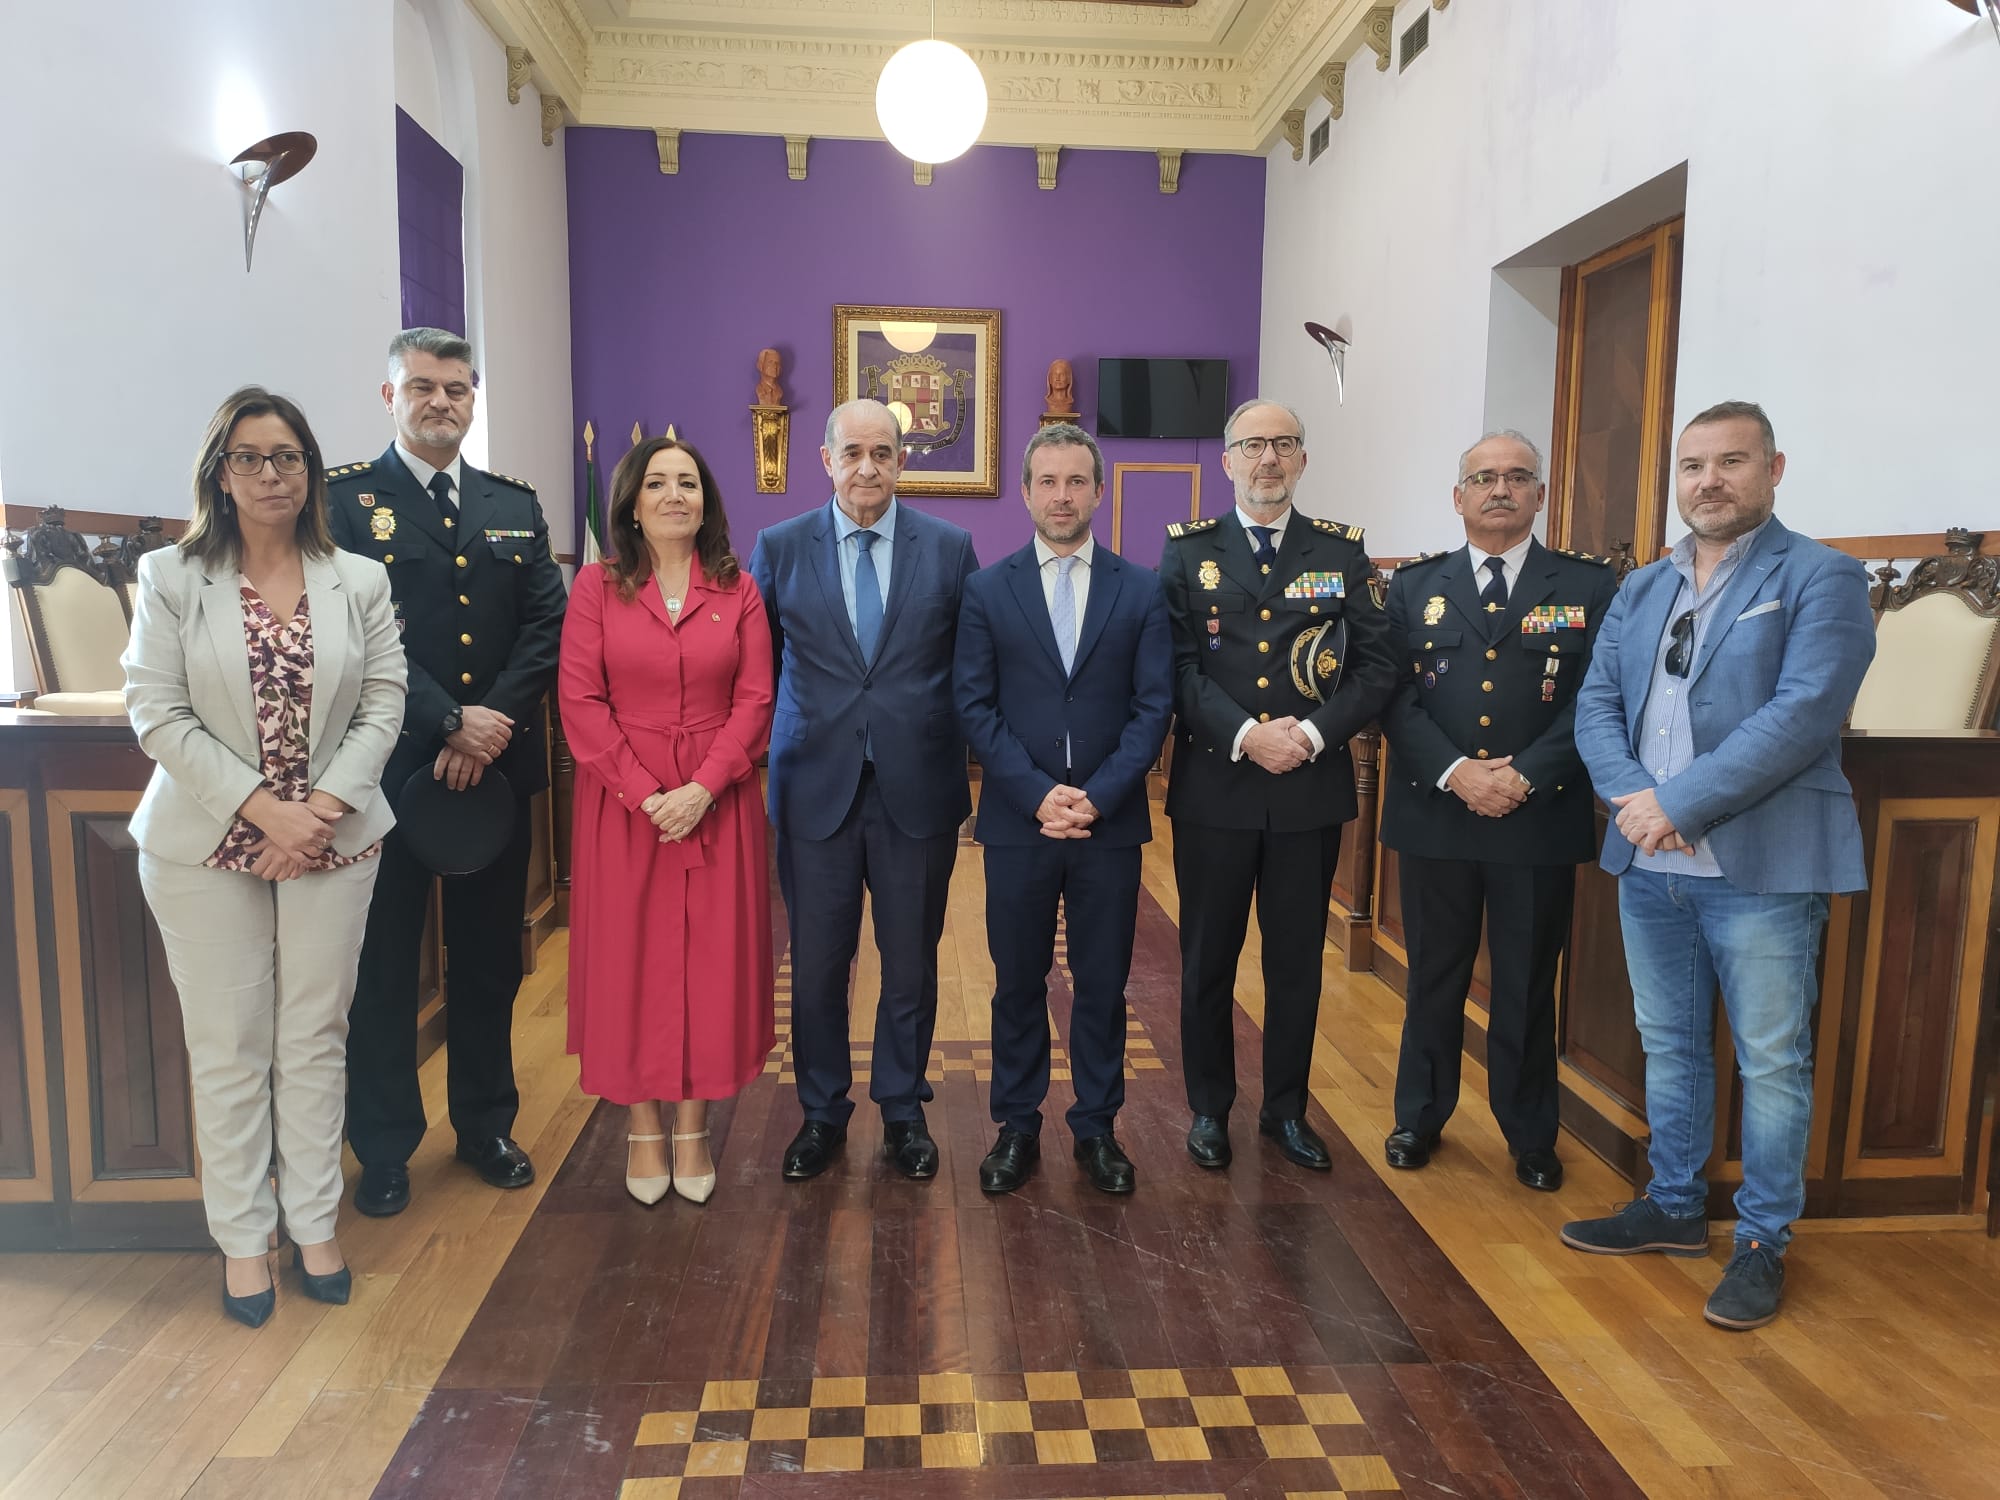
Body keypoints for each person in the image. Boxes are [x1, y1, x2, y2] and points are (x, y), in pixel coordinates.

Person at [1564, 400, 1876, 1331]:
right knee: (1669, 1043)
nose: (1709, 480)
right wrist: (1635, 801)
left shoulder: (1823, 577)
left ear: (1774, 470)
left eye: (1731, 462)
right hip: (1651, 858)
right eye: (1694, 465)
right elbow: (1595, 706)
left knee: (1773, 1060)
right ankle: (1671, 1206)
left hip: (1762, 864)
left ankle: (1762, 1240)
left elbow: (1804, 713)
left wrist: (1679, 803)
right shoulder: (1642, 586)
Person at [123, 386, 406, 1326]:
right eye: (249, 456)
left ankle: (314, 1223)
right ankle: (246, 1242)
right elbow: (156, 712)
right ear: (220, 471)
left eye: (287, 456)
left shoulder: (356, 579)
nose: (271, 473)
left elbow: (383, 706)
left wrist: (316, 812)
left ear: (311, 471)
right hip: (205, 845)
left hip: (333, 837)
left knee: (314, 1041)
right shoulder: (170, 576)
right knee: (231, 1050)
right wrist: (265, 813)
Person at [327, 328, 567, 1217]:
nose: (441, 402)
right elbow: (353, 634)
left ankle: (484, 1125)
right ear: (390, 397)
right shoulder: (347, 505)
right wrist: (448, 722)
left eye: (457, 389)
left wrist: (488, 728)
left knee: (487, 960)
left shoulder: (512, 504)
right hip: (389, 773)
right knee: (385, 965)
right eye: (423, 387)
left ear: (474, 400)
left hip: (494, 775)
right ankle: (385, 1145)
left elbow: (547, 622)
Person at [1377, 430, 1617, 1192]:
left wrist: (1525, 775)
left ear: (1541, 495)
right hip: (1437, 814)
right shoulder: (1414, 587)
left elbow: (1598, 698)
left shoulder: (1586, 587)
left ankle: (1530, 1135)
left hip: (1536, 815)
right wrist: (1456, 772)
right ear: (1459, 498)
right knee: (1434, 977)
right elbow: (1396, 696)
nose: (1500, 489)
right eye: (1483, 478)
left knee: (1524, 982)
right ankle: (1419, 1116)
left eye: (1518, 477)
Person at [1160, 398, 1396, 1172]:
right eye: (1253, 445)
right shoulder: (1187, 553)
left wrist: (1313, 733)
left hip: (1308, 787)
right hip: (1216, 790)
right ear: (1225, 460)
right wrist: (1245, 734)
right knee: (1208, 959)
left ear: (1302, 459)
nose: (1268, 458)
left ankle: (1286, 1111)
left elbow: (1374, 669)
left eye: (1283, 445)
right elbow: (1179, 667)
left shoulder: (1342, 552)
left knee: (1296, 962)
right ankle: (1209, 1109)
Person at [748, 398, 979, 1182]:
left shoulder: (949, 549)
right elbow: (760, 667)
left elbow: (969, 668)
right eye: (853, 453)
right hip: (816, 785)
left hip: (918, 787)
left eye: (883, 452)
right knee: (816, 964)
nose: (868, 468)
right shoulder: (779, 548)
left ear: (903, 460)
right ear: (825, 460)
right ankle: (821, 1112)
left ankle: (904, 1110)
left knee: (909, 961)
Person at [953, 425, 1172, 1195]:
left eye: (1076, 481)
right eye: (1047, 481)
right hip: (1019, 821)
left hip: (1108, 826)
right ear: (1025, 491)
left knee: (1102, 982)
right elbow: (974, 706)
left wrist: (1099, 797)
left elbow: (1154, 708)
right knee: (1018, 980)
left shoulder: (1141, 588)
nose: (1061, 495)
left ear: (1098, 491)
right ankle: (1016, 1126)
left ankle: (1097, 1126)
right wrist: (1039, 793)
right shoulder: (987, 589)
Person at [558, 437, 774, 1205]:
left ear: (707, 501)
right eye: (657, 483)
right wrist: (647, 793)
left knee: (710, 964)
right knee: (631, 962)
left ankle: (694, 1124)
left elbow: (755, 700)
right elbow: (580, 701)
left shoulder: (737, 589)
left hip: (720, 803)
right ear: (632, 502)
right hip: (625, 808)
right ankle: (642, 1124)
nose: (674, 494)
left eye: (688, 481)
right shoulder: (597, 587)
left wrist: (703, 789)